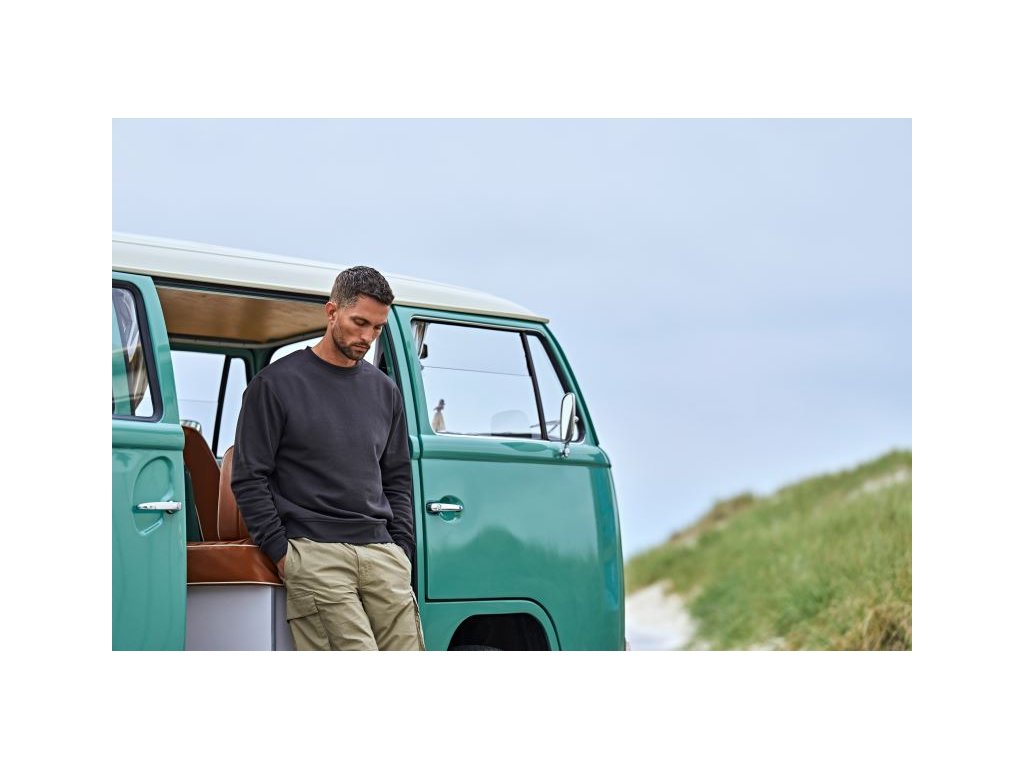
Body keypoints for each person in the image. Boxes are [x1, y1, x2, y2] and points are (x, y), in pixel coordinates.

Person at [232, 266, 423, 651]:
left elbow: (397, 479)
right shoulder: (274, 384)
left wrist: (401, 549)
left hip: (383, 554)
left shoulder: (385, 391)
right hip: (315, 552)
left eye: (377, 328)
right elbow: (249, 477)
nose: (367, 337)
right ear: (332, 311)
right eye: (359, 323)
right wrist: (282, 553)